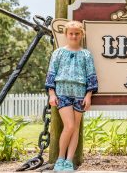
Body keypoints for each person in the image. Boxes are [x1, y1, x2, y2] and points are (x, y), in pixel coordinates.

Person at [45, 20, 98, 171]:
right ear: (66, 35)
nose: (74, 36)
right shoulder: (58, 53)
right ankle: (60, 159)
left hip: (80, 94)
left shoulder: (86, 54)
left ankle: (69, 161)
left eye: (77, 33)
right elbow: (51, 74)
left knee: (75, 128)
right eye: (71, 33)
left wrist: (88, 96)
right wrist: (51, 94)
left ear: (81, 34)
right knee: (69, 125)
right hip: (62, 92)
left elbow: (91, 76)